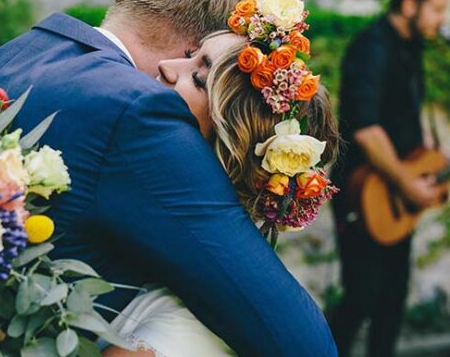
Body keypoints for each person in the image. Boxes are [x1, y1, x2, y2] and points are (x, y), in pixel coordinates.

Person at [0, 0, 338, 356]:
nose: (174, 67)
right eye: (195, 57)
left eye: (199, 66)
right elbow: (299, 341)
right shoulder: (137, 112)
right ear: (191, 41)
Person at [104, 25, 339, 356]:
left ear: (230, 152)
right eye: (190, 56)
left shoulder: (184, 326)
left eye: (199, 79)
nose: (167, 67)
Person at [327, 0, 450, 357]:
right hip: (362, 191)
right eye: (436, 8)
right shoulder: (372, 48)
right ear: (408, 4)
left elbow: (408, 126)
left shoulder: (411, 49)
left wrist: (446, 159)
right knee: (360, 298)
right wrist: (405, 182)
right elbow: (367, 130)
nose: (442, 19)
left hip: (396, 193)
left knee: (391, 302)